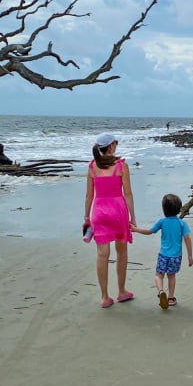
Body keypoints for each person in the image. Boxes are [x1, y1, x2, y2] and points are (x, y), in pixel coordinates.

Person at [84, 132, 136, 309]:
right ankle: (121, 291)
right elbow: (128, 193)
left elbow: (89, 196)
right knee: (121, 252)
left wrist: (86, 217)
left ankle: (105, 297)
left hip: (99, 212)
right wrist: (133, 217)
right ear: (112, 146)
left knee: (102, 255)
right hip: (118, 211)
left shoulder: (92, 167)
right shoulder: (121, 166)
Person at [131, 193, 193, 310]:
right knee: (171, 276)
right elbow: (187, 238)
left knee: (159, 276)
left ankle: (161, 291)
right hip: (176, 256)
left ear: (164, 209)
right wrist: (190, 255)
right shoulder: (181, 223)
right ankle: (170, 298)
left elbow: (150, 231)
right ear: (179, 209)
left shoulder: (162, 222)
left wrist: (135, 229)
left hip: (163, 255)